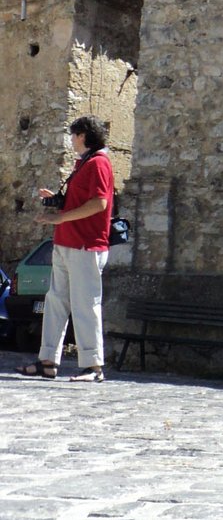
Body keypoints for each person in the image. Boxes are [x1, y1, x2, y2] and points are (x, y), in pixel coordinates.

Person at [18, 115, 114, 382]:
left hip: (85, 246)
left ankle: (94, 368)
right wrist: (57, 201)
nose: (71, 141)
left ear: (83, 135)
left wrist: (59, 218)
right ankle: (47, 362)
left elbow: (99, 204)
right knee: (55, 301)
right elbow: (80, 202)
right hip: (67, 243)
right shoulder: (83, 163)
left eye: (73, 135)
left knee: (86, 305)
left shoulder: (98, 163)